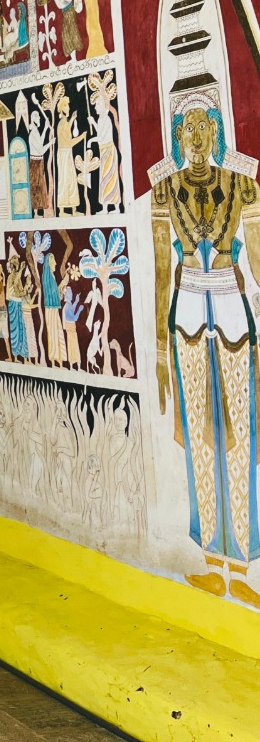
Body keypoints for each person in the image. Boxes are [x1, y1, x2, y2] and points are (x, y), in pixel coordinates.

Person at [154, 100, 260, 603]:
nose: (195, 136)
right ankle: (214, 563)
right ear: (178, 138)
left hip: (234, 316)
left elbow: (256, 254)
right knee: (201, 437)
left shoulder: (241, 185)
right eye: (187, 128)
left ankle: (241, 566)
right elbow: (160, 270)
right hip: (189, 317)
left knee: (239, 438)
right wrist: (158, 353)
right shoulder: (165, 190)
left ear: (215, 132)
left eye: (203, 126)